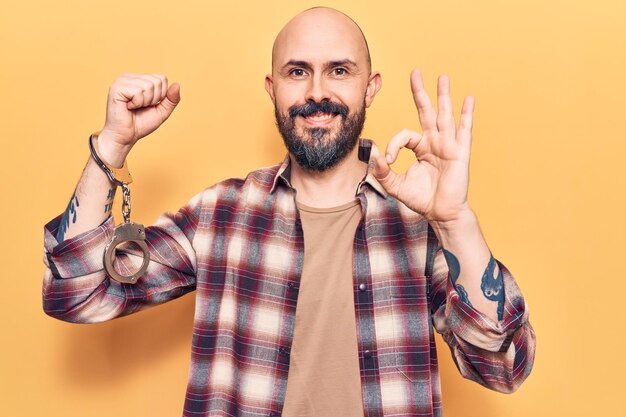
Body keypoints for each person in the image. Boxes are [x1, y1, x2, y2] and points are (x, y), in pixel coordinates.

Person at [42, 7, 535, 417]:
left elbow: (505, 366)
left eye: (339, 70)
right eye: (297, 72)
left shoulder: (418, 227)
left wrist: (454, 222)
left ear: (371, 87)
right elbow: (79, 293)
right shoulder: (220, 215)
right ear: (271, 88)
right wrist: (110, 148)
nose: (317, 92)